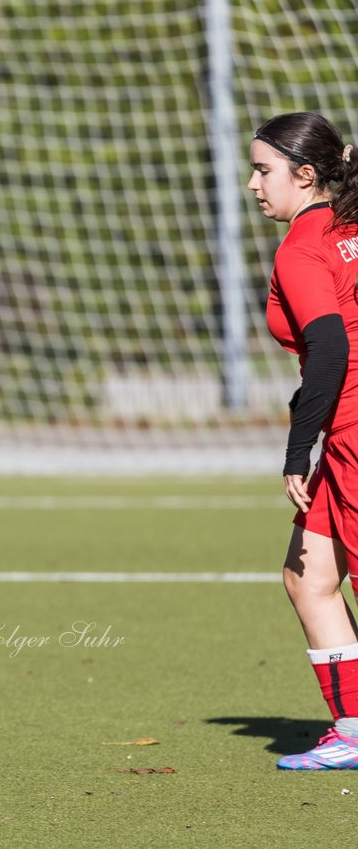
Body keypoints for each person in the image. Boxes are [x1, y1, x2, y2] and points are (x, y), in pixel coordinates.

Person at [252, 112, 358, 769]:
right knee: (309, 575)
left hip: (352, 427)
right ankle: (352, 729)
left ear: (306, 173)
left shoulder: (303, 245)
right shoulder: (348, 228)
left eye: (264, 170)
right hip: (344, 427)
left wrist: (297, 451)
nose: (254, 183)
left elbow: (329, 348)